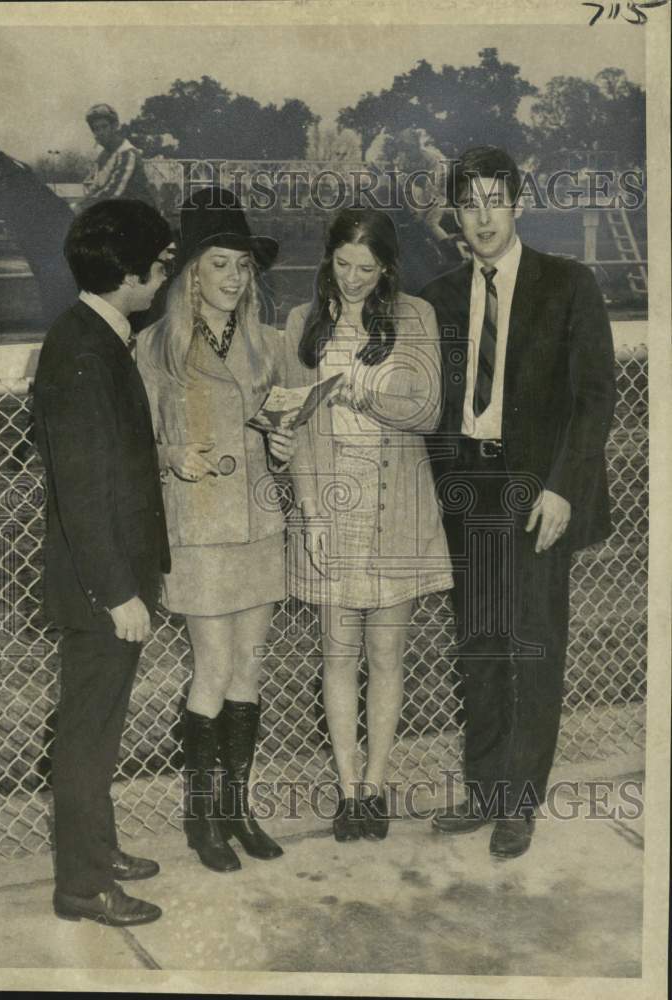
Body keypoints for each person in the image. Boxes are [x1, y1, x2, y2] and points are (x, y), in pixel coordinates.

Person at [420, 146, 616, 859]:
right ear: (455, 214)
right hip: (468, 492)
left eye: (493, 200)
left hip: (539, 491)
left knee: (531, 645)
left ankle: (520, 803)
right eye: (468, 203)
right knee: (478, 646)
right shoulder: (439, 296)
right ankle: (483, 790)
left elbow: (595, 398)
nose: (482, 216)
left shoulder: (568, 285)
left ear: (518, 204)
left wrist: (565, 485)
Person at [280, 208, 453, 842]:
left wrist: (364, 389)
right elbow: (294, 429)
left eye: (367, 268)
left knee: (386, 655)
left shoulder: (414, 317)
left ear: (386, 268)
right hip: (331, 502)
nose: (353, 280)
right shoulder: (302, 323)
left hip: (397, 505)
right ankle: (348, 791)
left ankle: (376, 790)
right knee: (337, 654)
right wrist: (312, 511)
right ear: (329, 260)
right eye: (342, 265)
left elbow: (429, 410)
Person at [137, 186, 294, 873]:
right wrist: (175, 455)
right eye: (219, 265)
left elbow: (272, 421)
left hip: (259, 523)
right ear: (190, 273)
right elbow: (134, 444)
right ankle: (202, 819)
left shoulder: (265, 342)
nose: (232, 279)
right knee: (211, 668)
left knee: (249, 670)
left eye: (241, 266)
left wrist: (282, 443)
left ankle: (237, 809)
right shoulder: (154, 346)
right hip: (199, 529)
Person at [32, 199, 174, 925]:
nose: (163, 278)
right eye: (158, 266)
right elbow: (83, 492)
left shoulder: (94, 334)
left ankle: (99, 850)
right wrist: (119, 591)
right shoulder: (83, 349)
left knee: (100, 728)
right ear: (127, 274)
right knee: (87, 738)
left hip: (111, 581)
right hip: (101, 590)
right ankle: (82, 885)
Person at [80, 103, 154, 210]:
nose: (100, 132)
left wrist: (81, 207)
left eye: (104, 127)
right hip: (117, 212)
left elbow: (113, 193)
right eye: (96, 129)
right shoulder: (102, 156)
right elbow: (95, 188)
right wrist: (78, 205)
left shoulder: (127, 153)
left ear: (114, 127)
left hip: (140, 215)